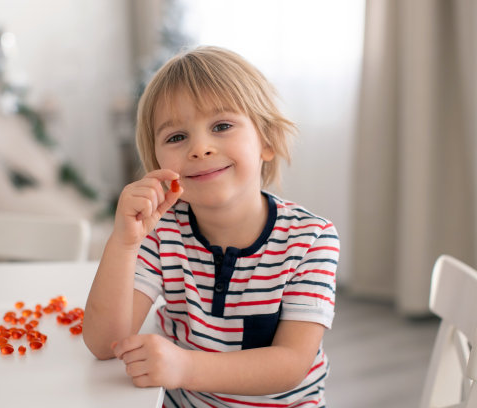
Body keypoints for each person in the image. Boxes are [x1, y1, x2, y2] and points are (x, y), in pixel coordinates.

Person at [83, 46, 339, 408]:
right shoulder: (162, 233)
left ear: (266, 141)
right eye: (176, 137)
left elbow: (291, 364)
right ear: (156, 160)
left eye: (221, 126)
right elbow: (103, 343)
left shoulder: (311, 239)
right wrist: (124, 243)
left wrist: (184, 366)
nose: (200, 148)